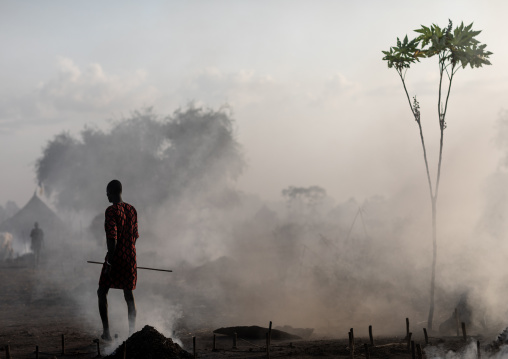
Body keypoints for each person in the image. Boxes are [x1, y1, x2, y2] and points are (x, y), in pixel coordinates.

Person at [97, 179, 139, 341]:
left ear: (112, 192)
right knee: (128, 295)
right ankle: (132, 334)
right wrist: (130, 254)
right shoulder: (132, 210)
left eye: (107, 193)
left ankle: (106, 333)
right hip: (131, 257)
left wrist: (110, 263)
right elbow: (135, 237)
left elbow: (112, 239)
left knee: (102, 292)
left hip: (116, 257)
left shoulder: (111, 211)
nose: (106, 196)